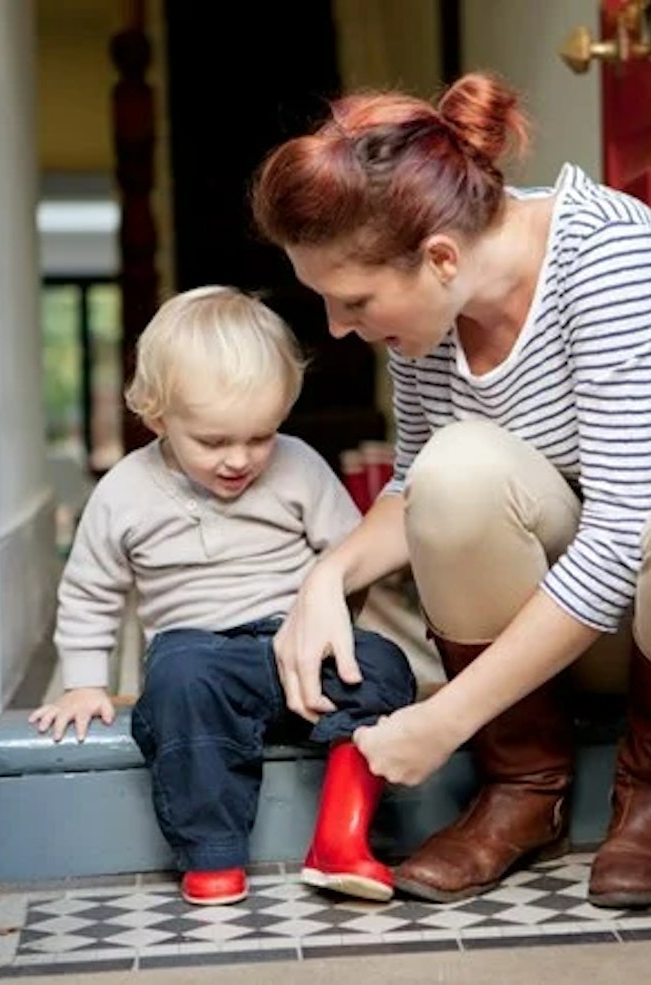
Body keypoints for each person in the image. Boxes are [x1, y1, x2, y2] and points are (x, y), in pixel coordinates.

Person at [249, 73, 651, 909]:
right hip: (600, 628)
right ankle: (521, 790)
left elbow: (619, 533)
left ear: (442, 256)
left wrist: (442, 718)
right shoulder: (424, 316)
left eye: (352, 301)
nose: (341, 328)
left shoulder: (610, 258)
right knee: (455, 468)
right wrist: (325, 578)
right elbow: (417, 483)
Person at [29, 286, 417, 906]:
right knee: (179, 683)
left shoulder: (299, 467)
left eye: (260, 436)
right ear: (158, 417)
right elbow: (90, 592)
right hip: (201, 653)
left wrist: (337, 625)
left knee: (384, 666)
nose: (240, 459)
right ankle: (212, 852)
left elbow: (353, 554)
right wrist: (83, 681)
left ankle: (341, 836)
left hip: (296, 647)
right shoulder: (125, 493)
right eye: (213, 442)